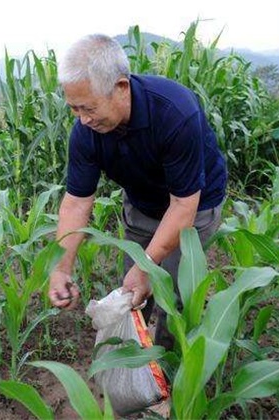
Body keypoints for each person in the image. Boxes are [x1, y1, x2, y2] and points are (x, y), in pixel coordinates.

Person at [47, 34, 228, 350]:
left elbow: (184, 206)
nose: (83, 119)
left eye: (88, 107)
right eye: (74, 109)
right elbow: (76, 202)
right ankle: (132, 370)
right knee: (132, 291)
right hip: (143, 204)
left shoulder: (175, 112)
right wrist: (61, 266)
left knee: (176, 295)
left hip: (193, 204)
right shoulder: (86, 132)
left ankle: (171, 379)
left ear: (121, 87)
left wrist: (148, 266)